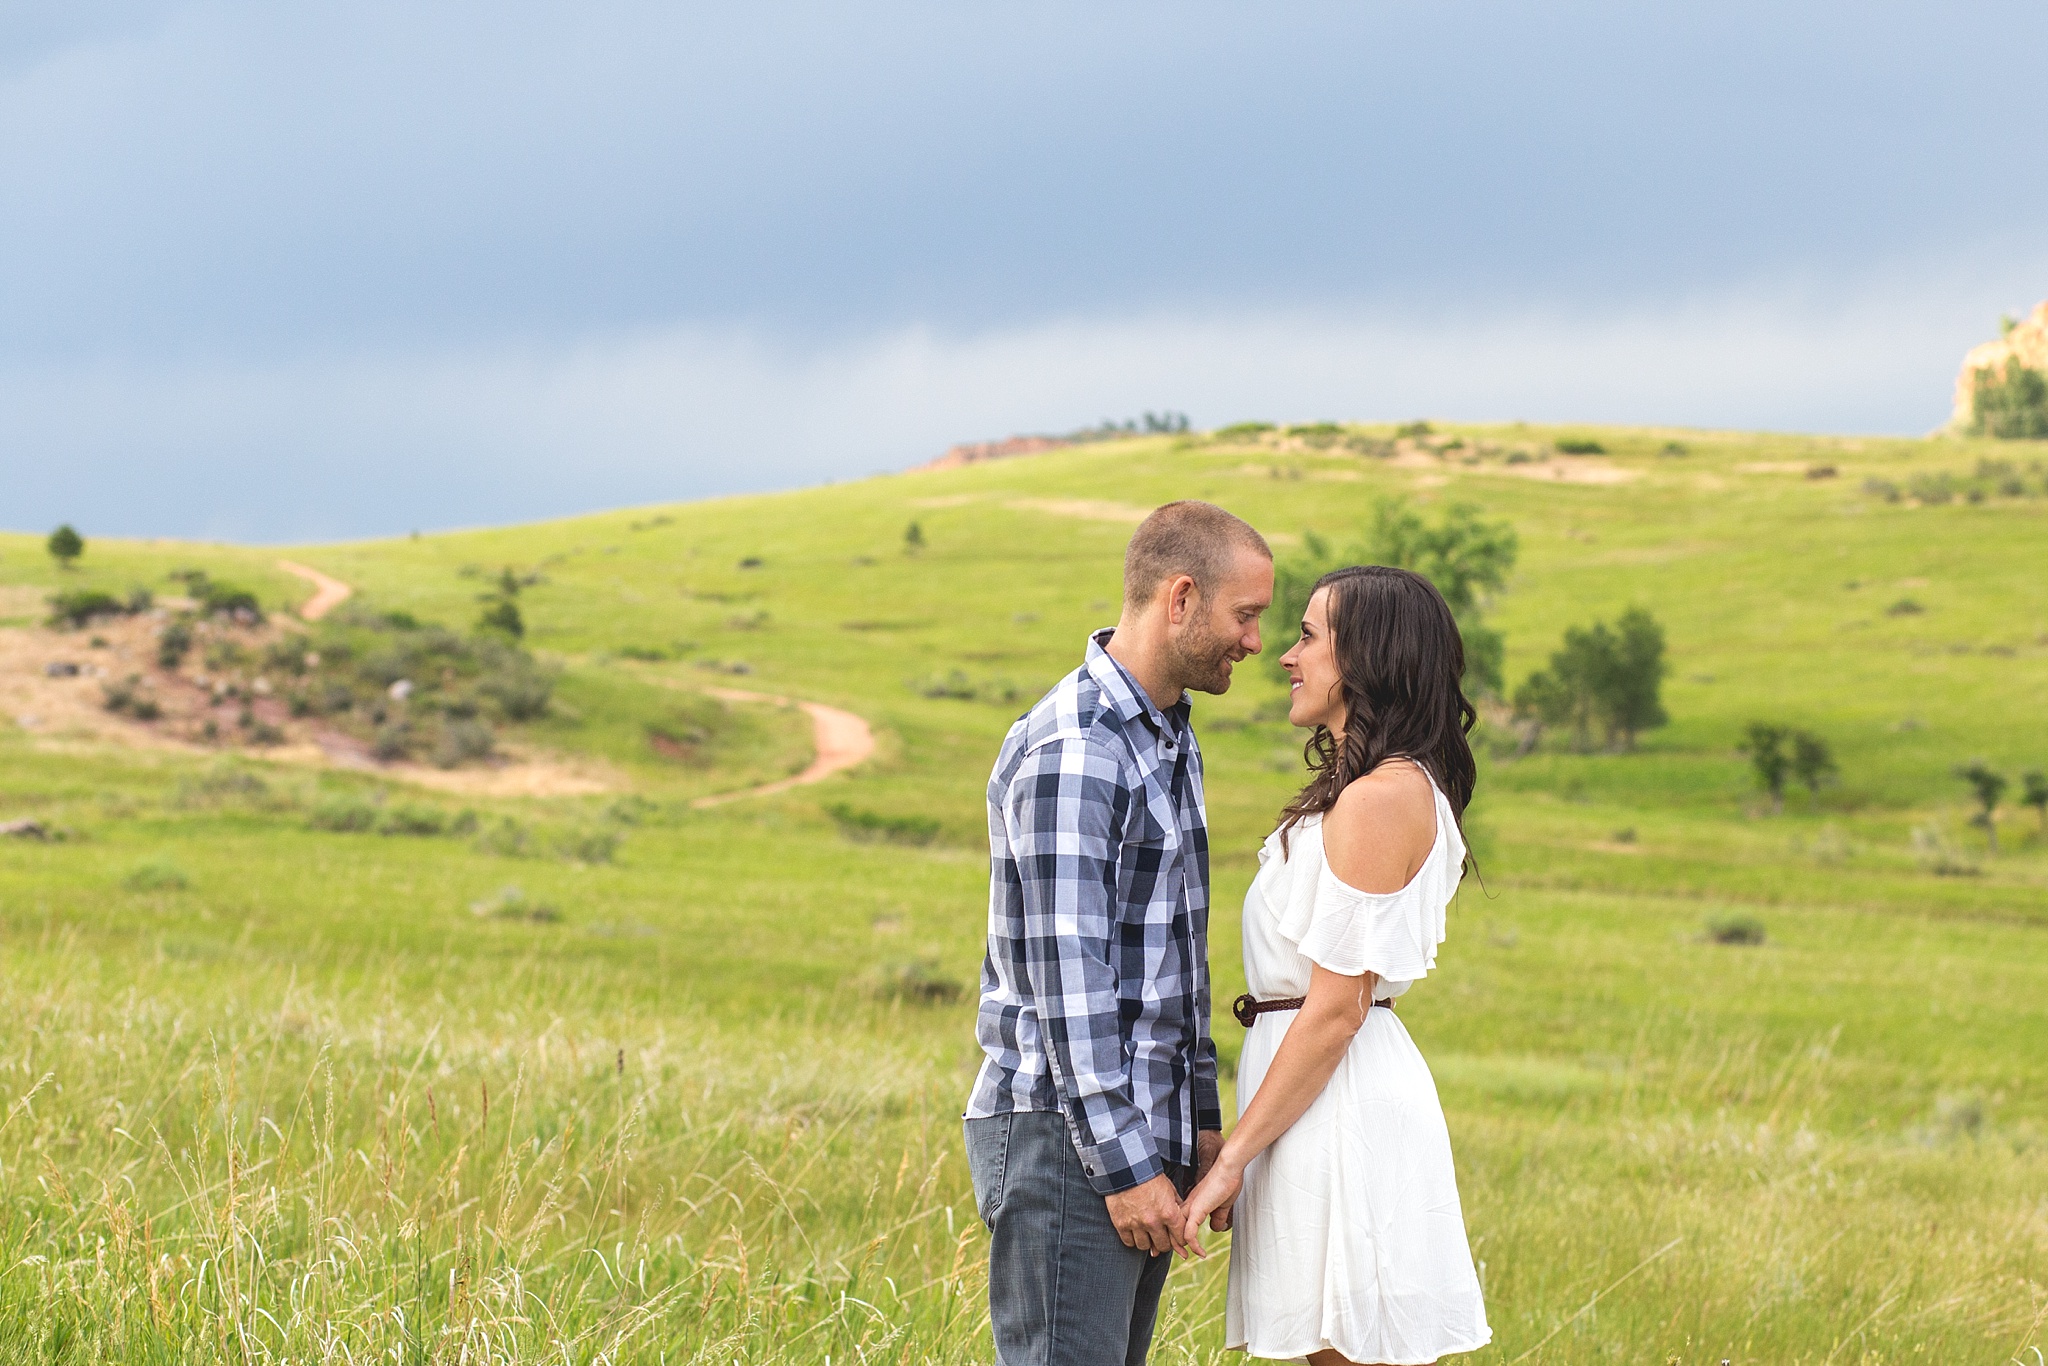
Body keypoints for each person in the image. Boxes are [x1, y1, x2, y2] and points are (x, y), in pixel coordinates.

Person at [964, 500, 1275, 1366]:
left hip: (1134, 1133)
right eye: (1244, 616)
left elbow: (1170, 958)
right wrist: (1125, 1165)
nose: (1256, 642)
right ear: (1180, 598)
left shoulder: (1167, 736)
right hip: (1072, 1139)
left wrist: (1198, 1125)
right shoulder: (1080, 746)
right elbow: (1071, 978)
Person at [1180, 565, 1493, 1366]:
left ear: (1368, 658)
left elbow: (1335, 1008)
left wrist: (1232, 1161)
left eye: (1309, 636)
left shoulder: (1381, 798)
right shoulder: (1367, 789)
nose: (1286, 655)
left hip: (1340, 1106)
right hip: (1310, 1100)